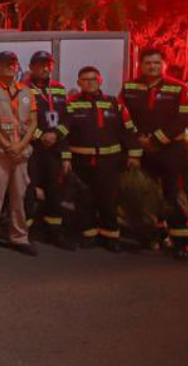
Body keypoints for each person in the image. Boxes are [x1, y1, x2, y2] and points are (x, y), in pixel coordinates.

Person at [119, 48, 188, 260]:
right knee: (147, 195)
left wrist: (155, 139)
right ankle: (158, 234)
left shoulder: (180, 88)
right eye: (147, 63)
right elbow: (123, 118)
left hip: (171, 150)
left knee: (175, 194)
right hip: (142, 150)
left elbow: (184, 119)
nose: (152, 67)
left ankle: (182, 242)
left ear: (164, 65)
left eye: (156, 63)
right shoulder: (129, 88)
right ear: (140, 65)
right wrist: (138, 142)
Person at [63, 66, 139, 253]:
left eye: (93, 79)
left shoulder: (115, 104)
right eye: (85, 79)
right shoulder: (71, 104)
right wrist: (66, 158)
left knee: (109, 199)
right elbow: (63, 133)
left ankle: (110, 236)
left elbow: (129, 131)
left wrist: (134, 154)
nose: (89, 82)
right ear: (79, 83)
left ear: (100, 81)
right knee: (84, 199)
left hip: (109, 161)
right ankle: (89, 235)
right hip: (81, 160)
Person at [0, 52, 38, 256]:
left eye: (13, 64)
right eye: (5, 64)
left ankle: (19, 237)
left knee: (19, 198)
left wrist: (19, 146)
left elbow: (33, 122)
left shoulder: (27, 91)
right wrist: (8, 146)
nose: (10, 67)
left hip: (20, 155)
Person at [22, 51, 70, 249]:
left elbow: (68, 120)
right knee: (28, 191)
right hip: (32, 148)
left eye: (48, 64)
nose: (45, 68)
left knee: (55, 191)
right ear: (32, 67)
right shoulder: (23, 89)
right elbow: (21, 119)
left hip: (55, 149)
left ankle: (54, 232)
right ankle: (25, 233)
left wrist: (57, 135)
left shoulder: (59, 89)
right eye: (41, 64)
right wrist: (41, 135)